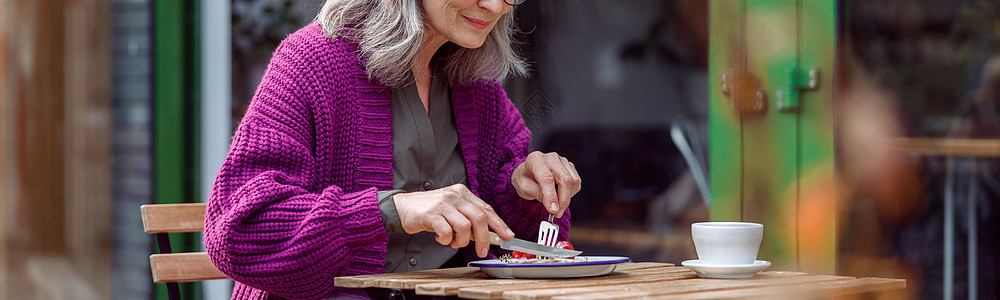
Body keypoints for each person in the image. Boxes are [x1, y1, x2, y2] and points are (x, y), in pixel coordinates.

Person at [204, 0, 581, 298]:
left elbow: (525, 249)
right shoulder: (311, 63)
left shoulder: (477, 85)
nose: (496, 6)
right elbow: (236, 230)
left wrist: (524, 191)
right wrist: (391, 209)